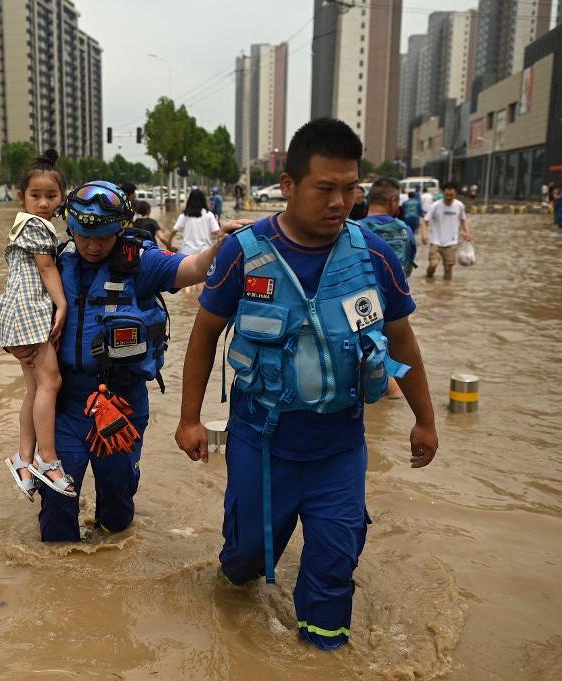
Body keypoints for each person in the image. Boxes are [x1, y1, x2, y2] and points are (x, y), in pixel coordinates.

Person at [174, 117, 437, 651]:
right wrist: (188, 418)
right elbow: (203, 336)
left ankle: (323, 652)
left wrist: (425, 419)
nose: (340, 202)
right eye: (325, 188)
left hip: (339, 447)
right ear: (290, 186)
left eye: (350, 188)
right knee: (245, 558)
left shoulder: (374, 257)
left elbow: (403, 343)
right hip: (260, 440)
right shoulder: (242, 254)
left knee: (335, 561)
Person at [7, 180, 247, 542]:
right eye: (84, 236)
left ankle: (110, 548)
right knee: (56, 501)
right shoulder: (54, 261)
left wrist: (219, 247)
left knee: (117, 509)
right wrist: (17, 348)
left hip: (122, 405)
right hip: (66, 405)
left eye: (104, 236)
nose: (93, 246)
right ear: (69, 226)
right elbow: (16, 304)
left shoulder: (142, 263)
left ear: (120, 228)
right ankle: (59, 574)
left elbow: (195, 268)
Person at [0, 149, 76, 501]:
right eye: (36, 196)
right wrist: (63, 303)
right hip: (29, 311)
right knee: (51, 381)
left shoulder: (18, 223)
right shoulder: (39, 226)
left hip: (13, 311)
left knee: (35, 389)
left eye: (51, 197)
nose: (43, 204)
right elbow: (46, 268)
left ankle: (23, 458)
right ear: (21, 195)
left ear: (62, 198)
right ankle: (48, 459)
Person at [357, 177, 418, 399]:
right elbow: (408, 268)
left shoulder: (352, 231)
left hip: (355, 307)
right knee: (390, 356)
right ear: (393, 200)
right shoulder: (404, 231)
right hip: (393, 307)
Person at [421, 181, 471, 280]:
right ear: (443, 193)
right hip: (436, 241)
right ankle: (428, 278)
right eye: (447, 194)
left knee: (448, 269)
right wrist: (424, 234)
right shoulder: (435, 205)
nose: (449, 197)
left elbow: (463, 220)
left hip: (452, 242)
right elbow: (425, 221)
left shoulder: (459, 205)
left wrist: (467, 232)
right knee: (433, 264)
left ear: (455, 193)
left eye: (451, 195)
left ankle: (446, 291)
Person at [171, 188, 220, 255]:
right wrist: (216, 222)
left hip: (187, 253)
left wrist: (169, 244)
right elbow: (216, 232)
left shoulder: (184, 214)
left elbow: (174, 231)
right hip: (204, 253)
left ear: (189, 200)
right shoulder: (209, 214)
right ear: (203, 200)